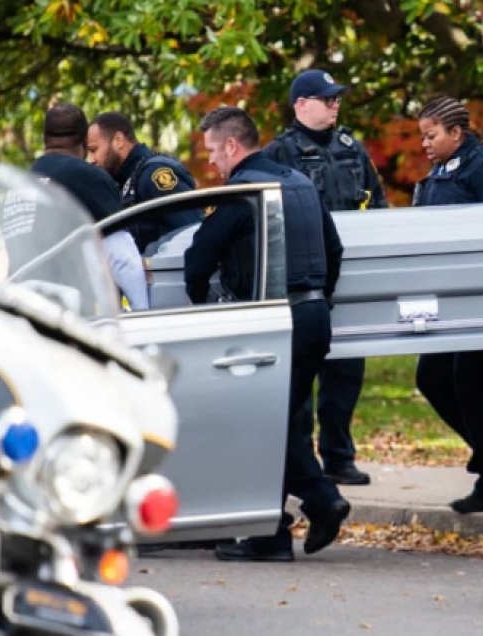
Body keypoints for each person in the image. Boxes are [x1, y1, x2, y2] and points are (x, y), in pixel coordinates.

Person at [185, 106, 351, 562]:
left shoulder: (244, 192)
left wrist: (201, 306)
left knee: (260, 422)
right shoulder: (299, 184)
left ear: (233, 146)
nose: (213, 164)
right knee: (282, 419)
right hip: (314, 317)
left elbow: (199, 260)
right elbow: (334, 250)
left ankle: (320, 501)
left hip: (274, 322)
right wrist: (320, 296)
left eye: (214, 153)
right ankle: (270, 533)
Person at [263, 69, 389, 486]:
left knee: (346, 369)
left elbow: (378, 202)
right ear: (301, 104)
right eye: (327, 99)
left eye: (337, 99)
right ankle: (301, 464)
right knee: (299, 374)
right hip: (301, 276)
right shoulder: (279, 153)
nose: (336, 105)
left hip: (348, 270)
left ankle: (338, 455)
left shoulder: (352, 146)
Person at [413, 96, 483, 514]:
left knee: (473, 385)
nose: (424, 143)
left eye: (431, 135)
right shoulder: (438, 173)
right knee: (433, 377)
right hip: (448, 298)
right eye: (422, 135)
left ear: (456, 133)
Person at [29, 103, 149, 310]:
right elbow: (122, 258)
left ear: (44, 140)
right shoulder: (88, 178)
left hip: (29, 312)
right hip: (79, 318)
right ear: (85, 140)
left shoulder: (23, 182)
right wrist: (144, 313)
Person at [87, 112, 199, 252]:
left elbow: (191, 232)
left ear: (118, 140)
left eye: (93, 150)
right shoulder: (127, 180)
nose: (91, 159)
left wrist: (152, 253)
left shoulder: (154, 174)